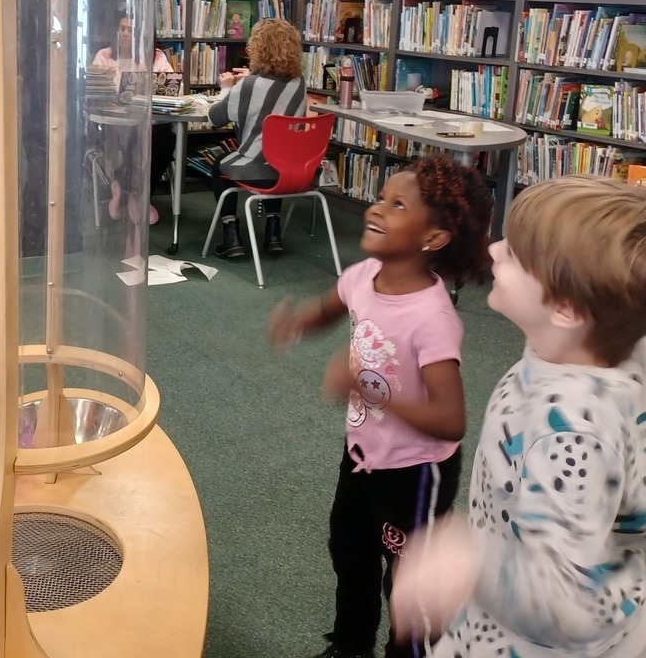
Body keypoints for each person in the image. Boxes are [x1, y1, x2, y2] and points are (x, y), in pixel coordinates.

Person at [390, 175, 646, 658]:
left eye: (517, 253)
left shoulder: (572, 430)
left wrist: (468, 563)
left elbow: (566, 601)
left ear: (566, 308)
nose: (496, 250)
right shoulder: (597, 347)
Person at [268, 154, 494, 658]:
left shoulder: (432, 320)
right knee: (350, 553)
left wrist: (372, 391)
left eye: (398, 204)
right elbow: (334, 307)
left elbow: (450, 421)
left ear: (432, 239)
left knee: (408, 580)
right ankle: (349, 646)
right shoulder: (363, 273)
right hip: (363, 453)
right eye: (381, 196)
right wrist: (301, 320)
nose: (377, 207)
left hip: (414, 474)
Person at [206, 17, 307, 259]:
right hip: (294, 171)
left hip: (259, 172)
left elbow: (215, 117)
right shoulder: (299, 83)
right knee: (275, 158)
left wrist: (228, 88)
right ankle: (273, 234)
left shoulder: (248, 86)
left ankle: (231, 236)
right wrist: (252, 76)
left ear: (259, 49)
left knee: (218, 167)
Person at [91, 12, 176, 225]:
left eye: (132, 30)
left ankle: (133, 192)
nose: (127, 34)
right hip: (114, 125)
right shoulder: (104, 55)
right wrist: (107, 85)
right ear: (116, 31)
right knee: (131, 140)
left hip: (150, 123)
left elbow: (174, 86)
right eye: (123, 29)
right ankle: (130, 190)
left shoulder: (156, 56)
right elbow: (93, 91)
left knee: (166, 141)